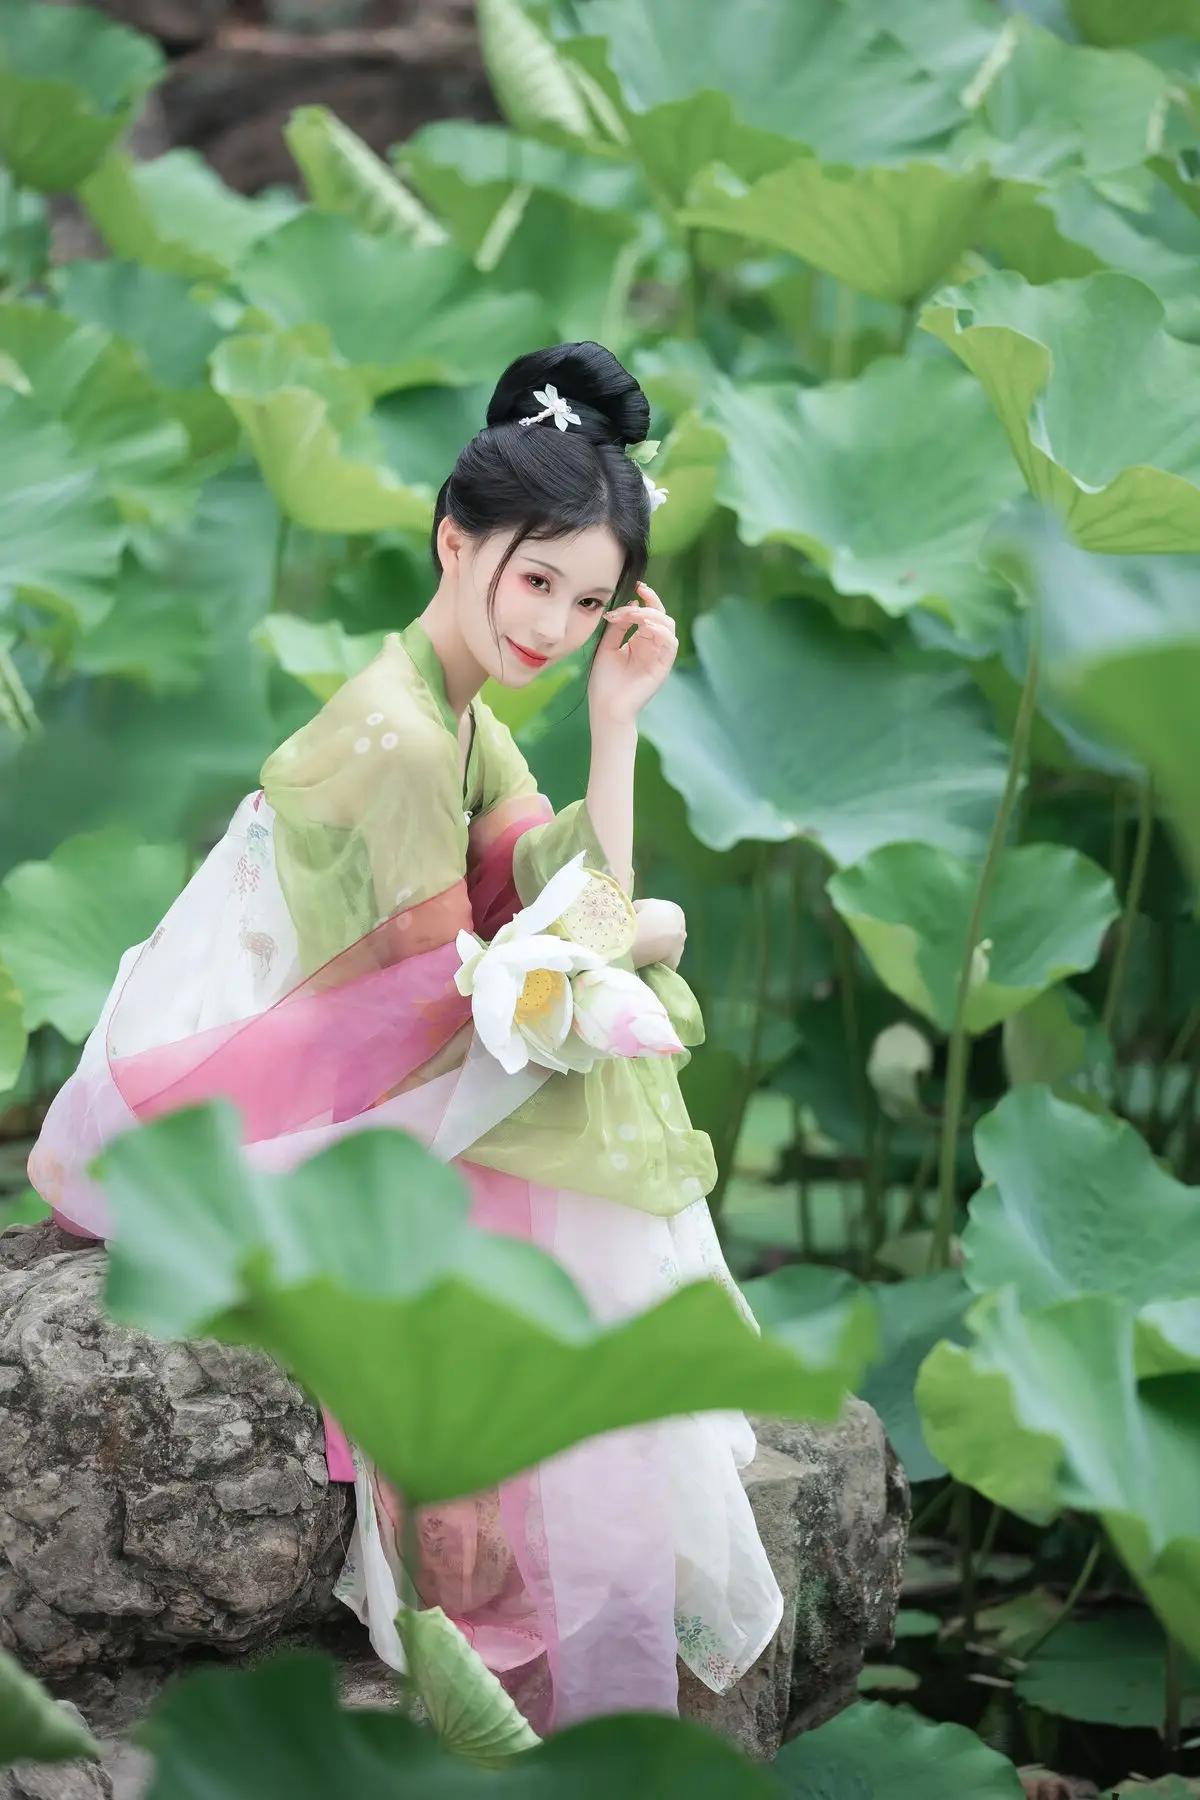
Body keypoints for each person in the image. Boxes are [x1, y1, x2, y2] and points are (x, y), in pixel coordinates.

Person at [27, 342, 782, 1731]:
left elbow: (566, 906)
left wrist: (616, 728)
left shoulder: (461, 713)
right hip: (255, 1092)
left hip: (359, 1054)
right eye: (535, 582)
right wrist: (629, 942)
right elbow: (453, 1002)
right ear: (455, 541)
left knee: (593, 1043)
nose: (556, 626)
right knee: (581, 1087)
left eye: (590, 601)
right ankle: (519, 1578)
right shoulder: (404, 736)